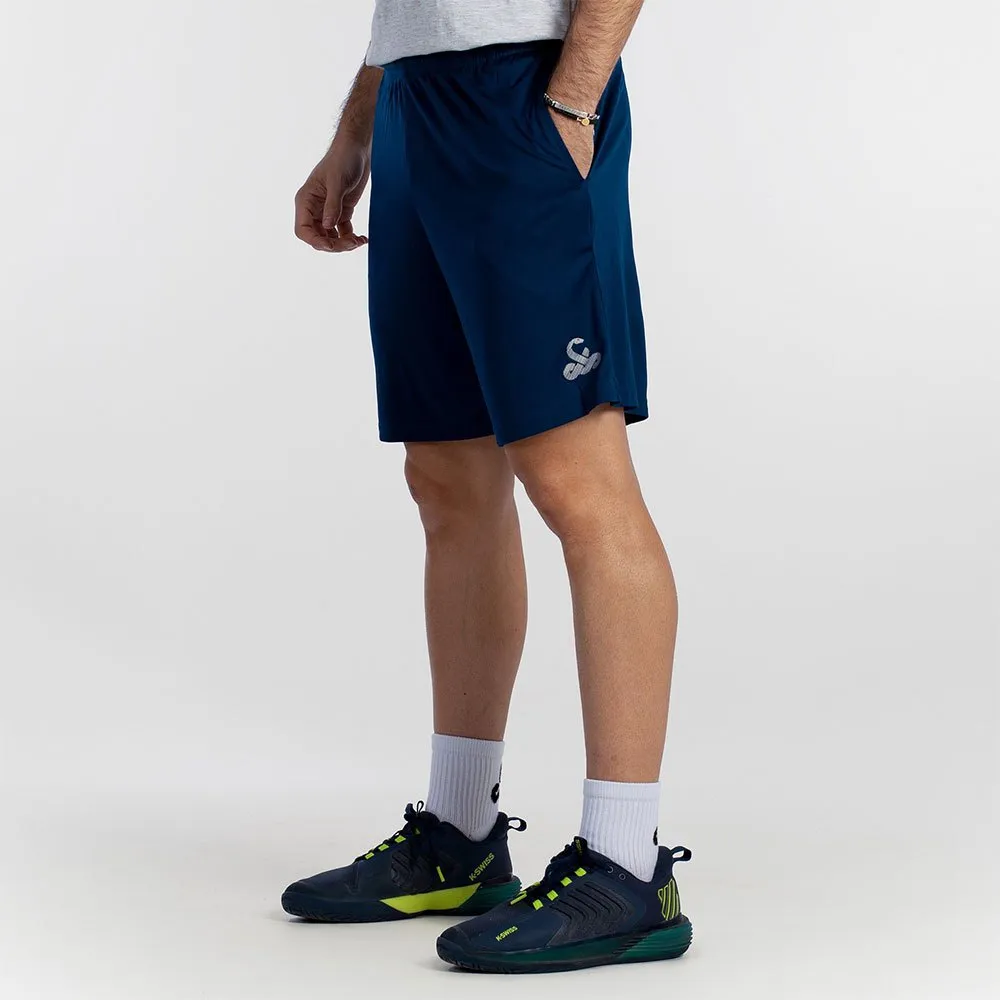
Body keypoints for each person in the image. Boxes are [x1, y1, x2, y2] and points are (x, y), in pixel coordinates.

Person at [283, 0, 692, 974]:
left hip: (528, 96)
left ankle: (627, 868)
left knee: (575, 478)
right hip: (416, 105)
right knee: (447, 478)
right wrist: (359, 125)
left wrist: (573, 102)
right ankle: (460, 837)